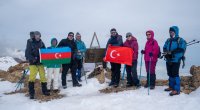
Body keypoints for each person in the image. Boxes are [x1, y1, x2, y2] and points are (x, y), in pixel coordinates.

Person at [163, 26, 186, 96]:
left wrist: (172, 52)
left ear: (176, 32)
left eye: (172, 32)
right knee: (170, 73)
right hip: (168, 59)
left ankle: (176, 89)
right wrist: (166, 54)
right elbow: (164, 47)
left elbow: (182, 49)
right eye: (170, 32)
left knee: (175, 74)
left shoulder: (180, 40)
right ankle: (171, 86)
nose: (171, 33)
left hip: (176, 60)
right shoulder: (168, 40)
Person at [26, 31, 50, 99]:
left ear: (40, 36)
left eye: (38, 35)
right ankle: (31, 94)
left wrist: (48, 50)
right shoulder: (30, 42)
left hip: (40, 63)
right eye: (36, 35)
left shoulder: (41, 43)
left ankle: (44, 91)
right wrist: (33, 59)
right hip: (33, 63)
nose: (37, 36)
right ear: (34, 36)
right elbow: (28, 52)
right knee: (32, 78)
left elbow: (44, 51)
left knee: (43, 77)